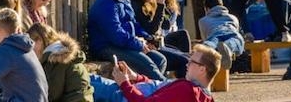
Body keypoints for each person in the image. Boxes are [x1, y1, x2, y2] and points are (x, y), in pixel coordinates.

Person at [88, 0, 168, 81]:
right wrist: (139, 44)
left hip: (124, 43)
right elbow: (117, 36)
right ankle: (167, 87)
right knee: (148, 65)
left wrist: (147, 38)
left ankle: (148, 89)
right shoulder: (105, 4)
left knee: (160, 60)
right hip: (106, 46)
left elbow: (133, 24)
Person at [90, 44, 219, 102]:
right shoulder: (198, 92)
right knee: (86, 79)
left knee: (82, 83)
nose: (187, 64)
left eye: (191, 62)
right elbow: (160, 86)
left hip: (121, 96)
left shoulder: (188, 90)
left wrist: (125, 84)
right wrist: (136, 77)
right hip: (125, 91)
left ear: (202, 69)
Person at [129, 0, 189, 78]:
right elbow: (151, 30)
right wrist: (160, 7)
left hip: (154, 43)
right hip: (145, 47)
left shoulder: (149, 3)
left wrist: (160, 6)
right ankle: (181, 85)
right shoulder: (137, 7)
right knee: (185, 61)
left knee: (187, 56)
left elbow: (166, 24)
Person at [28, 23, 94, 102]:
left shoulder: (57, 60)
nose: (30, 49)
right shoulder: (58, 54)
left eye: (32, 43)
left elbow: (51, 94)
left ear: (40, 40)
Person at [197, 0, 244, 70]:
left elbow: (205, 37)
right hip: (232, 33)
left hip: (215, 34)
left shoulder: (203, 21)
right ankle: (228, 47)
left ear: (207, 9)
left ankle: (211, 47)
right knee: (235, 42)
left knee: (210, 43)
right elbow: (237, 29)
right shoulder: (233, 17)